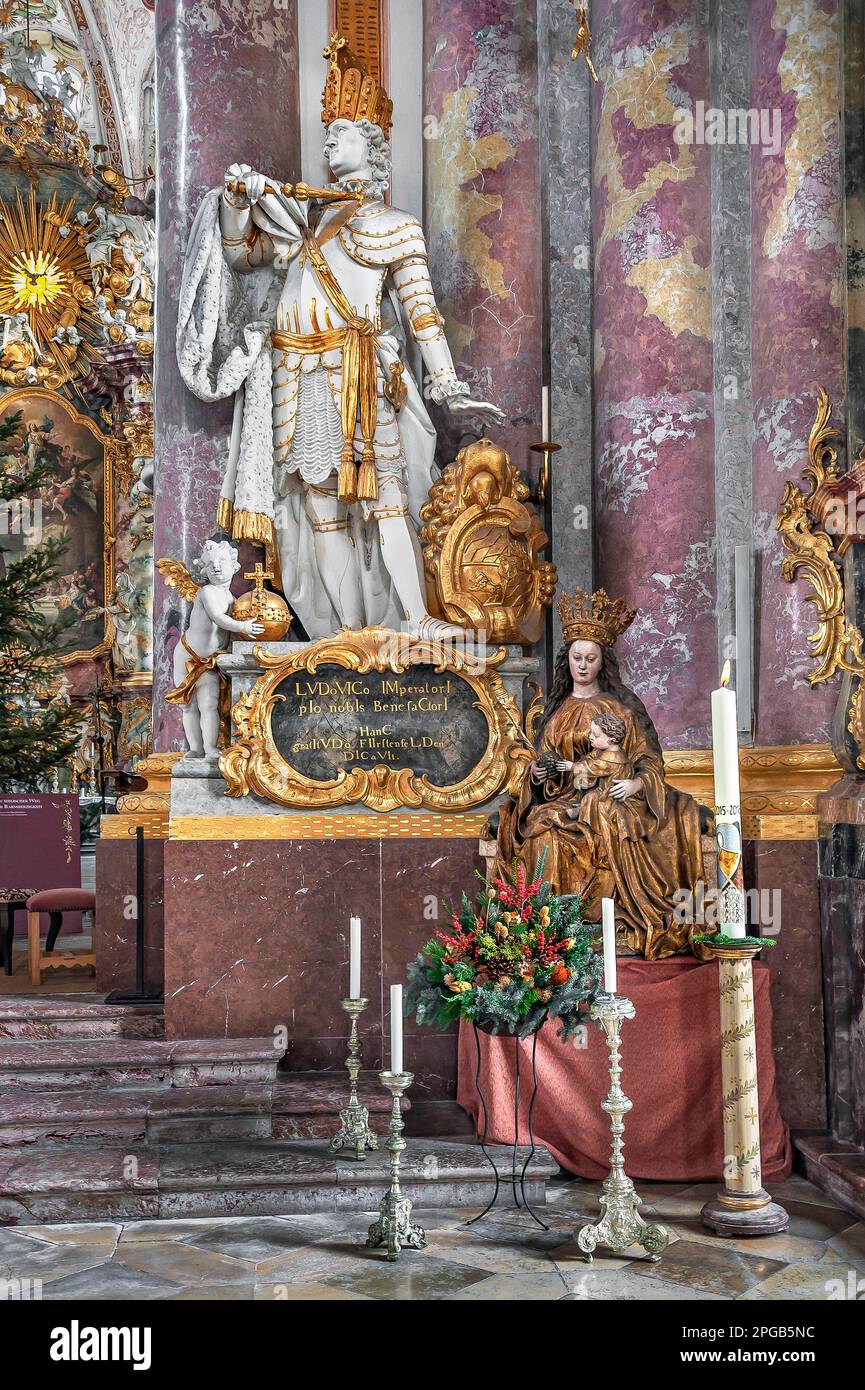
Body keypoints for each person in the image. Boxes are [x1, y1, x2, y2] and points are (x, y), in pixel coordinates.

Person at [177, 34, 503, 640]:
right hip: (296, 378)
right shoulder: (303, 223)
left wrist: (449, 385)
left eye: (344, 129)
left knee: (385, 504)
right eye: (328, 130)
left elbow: (422, 314)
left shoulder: (397, 228)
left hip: (359, 378)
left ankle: (416, 618)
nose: (330, 138)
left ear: (374, 145)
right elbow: (239, 257)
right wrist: (236, 202)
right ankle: (345, 638)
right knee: (319, 514)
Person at [495, 587, 709, 960]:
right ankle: (555, 930)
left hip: (614, 797)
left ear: (601, 662)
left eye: (590, 658)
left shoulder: (620, 709)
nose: (582, 665)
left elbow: (649, 760)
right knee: (541, 833)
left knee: (604, 821)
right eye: (576, 657)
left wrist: (638, 782)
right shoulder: (558, 710)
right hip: (563, 800)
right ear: (568, 660)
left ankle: (611, 921)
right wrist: (540, 777)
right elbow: (543, 763)